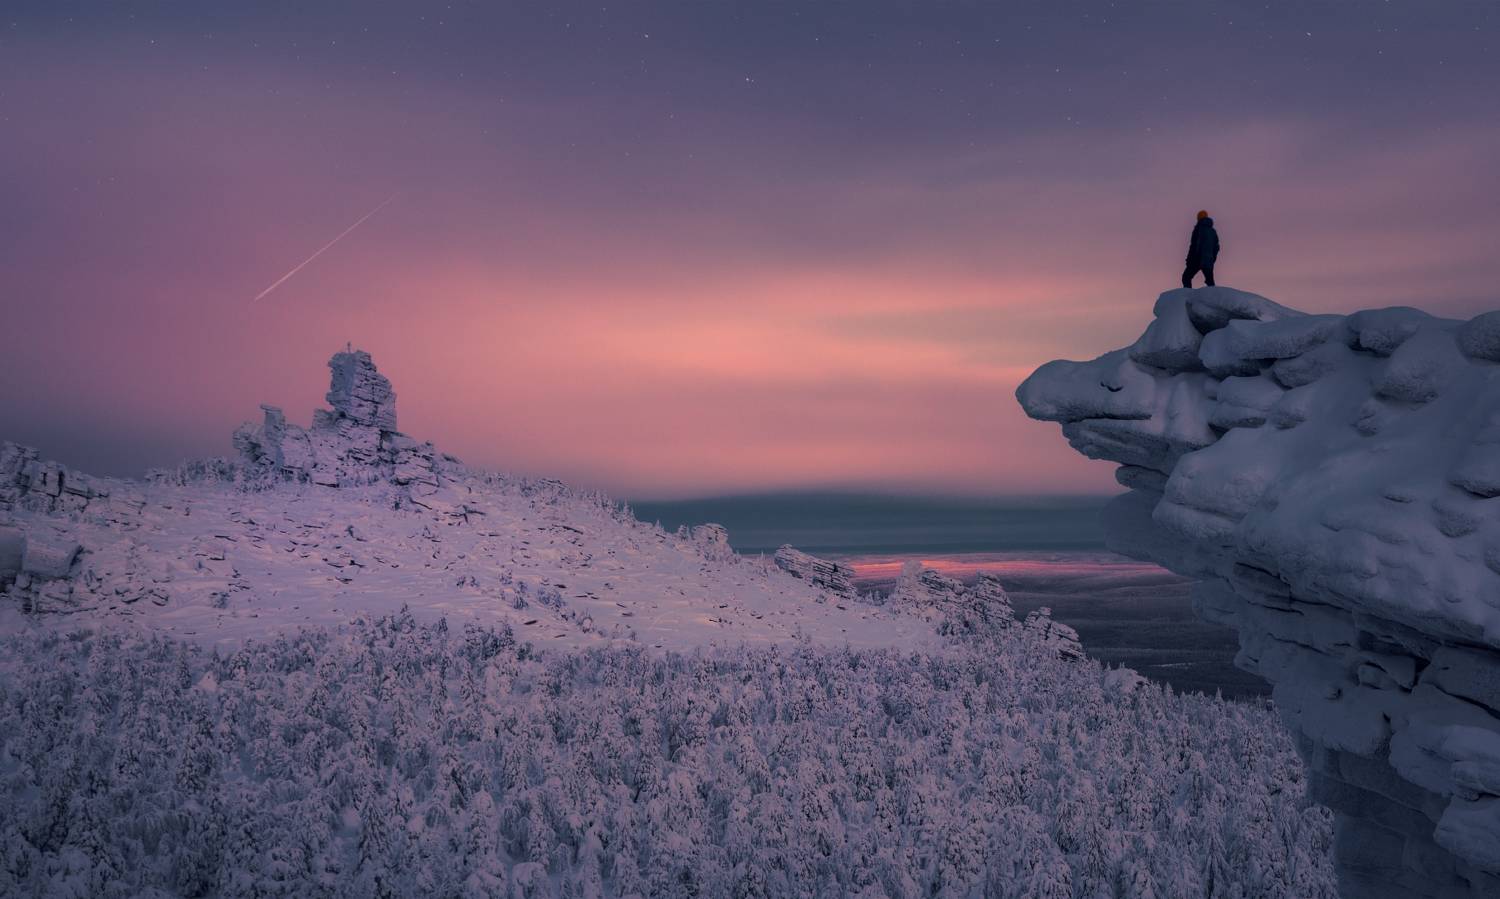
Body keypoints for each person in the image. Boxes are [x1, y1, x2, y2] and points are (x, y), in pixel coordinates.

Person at [1182, 210, 1219, 288]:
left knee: (1186, 277)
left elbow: (1194, 246)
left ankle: (1188, 296)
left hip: (1197, 258)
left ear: (1198, 218)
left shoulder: (1198, 229)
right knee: (1210, 282)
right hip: (1208, 260)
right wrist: (1212, 259)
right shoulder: (1213, 232)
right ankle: (1214, 297)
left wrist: (1189, 260)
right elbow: (1216, 247)